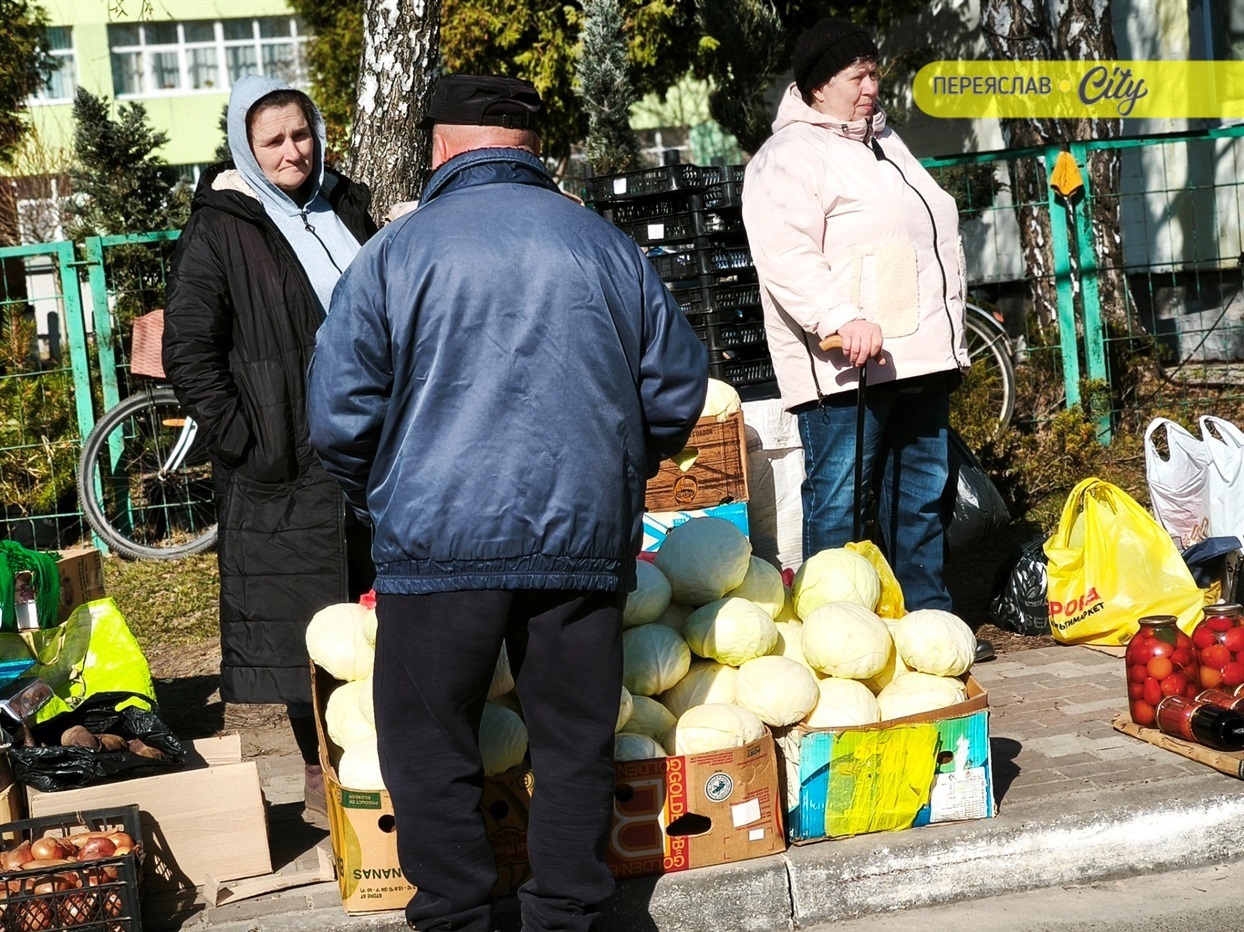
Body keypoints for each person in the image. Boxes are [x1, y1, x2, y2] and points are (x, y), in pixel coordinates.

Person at [307, 74, 708, 932]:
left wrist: (384, 501)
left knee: (429, 745)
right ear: (532, 146)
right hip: (580, 537)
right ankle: (565, 916)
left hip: (435, 542)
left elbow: (340, 413)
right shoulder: (605, 245)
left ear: (440, 147)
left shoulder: (394, 253)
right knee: (573, 743)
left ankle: (456, 917)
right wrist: (614, 473)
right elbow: (677, 388)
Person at [162, 75, 377, 823]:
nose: (293, 152)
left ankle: (387, 764)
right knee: (304, 621)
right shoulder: (220, 228)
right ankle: (323, 777)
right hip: (283, 462)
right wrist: (245, 437)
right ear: (245, 150)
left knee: (377, 614)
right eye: (273, 141)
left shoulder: (346, 205)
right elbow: (189, 351)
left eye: (301, 134)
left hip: (374, 450)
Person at [742, 19, 981, 632]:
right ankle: (835, 632)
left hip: (918, 356)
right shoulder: (787, 157)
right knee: (841, 507)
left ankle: (927, 625)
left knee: (919, 502)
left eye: (874, 73)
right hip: (846, 367)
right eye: (857, 76)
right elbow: (786, 255)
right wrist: (840, 316)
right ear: (819, 86)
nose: (871, 86)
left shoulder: (885, 142)